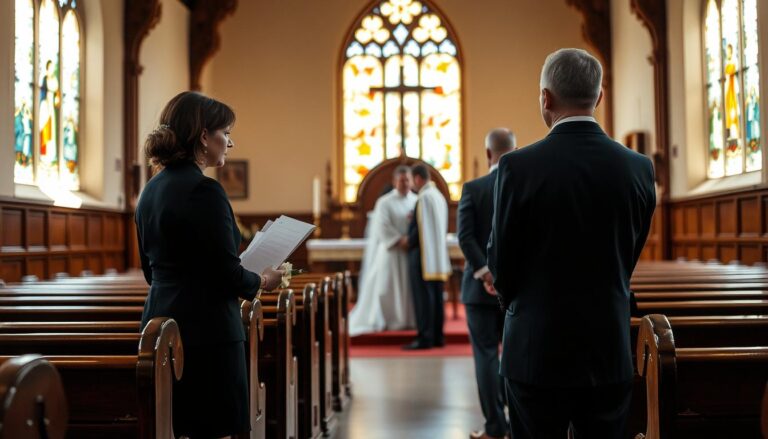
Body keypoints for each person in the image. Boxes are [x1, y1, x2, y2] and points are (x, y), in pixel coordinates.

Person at [488, 48, 656, 438]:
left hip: (534, 347)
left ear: (546, 98)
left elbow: (502, 261)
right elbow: (630, 252)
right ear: (599, 97)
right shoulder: (638, 167)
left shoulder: (516, 167)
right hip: (606, 344)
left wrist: (516, 303)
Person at [136, 91, 285, 438]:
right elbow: (228, 275)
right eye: (226, 133)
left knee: (172, 427)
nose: (230, 143)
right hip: (208, 334)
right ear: (204, 136)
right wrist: (264, 280)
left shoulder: (150, 190)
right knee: (212, 429)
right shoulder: (206, 191)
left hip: (159, 327)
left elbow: (150, 271)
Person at [458, 128, 516, 439]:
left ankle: (495, 425)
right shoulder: (524, 186)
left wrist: (485, 272)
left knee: (485, 355)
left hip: (478, 290)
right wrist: (503, 275)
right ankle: (517, 423)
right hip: (516, 288)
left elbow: (465, 236)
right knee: (514, 355)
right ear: (515, 151)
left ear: (488, 154)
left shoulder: (474, 188)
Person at [349, 165, 418, 335]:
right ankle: (390, 320)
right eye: (401, 180)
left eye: (407, 180)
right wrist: (400, 240)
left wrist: (411, 239)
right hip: (391, 252)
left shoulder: (416, 200)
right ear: (395, 182)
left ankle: (409, 319)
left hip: (409, 251)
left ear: (412, 181)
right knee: (387, 288)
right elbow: (382, 226)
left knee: (408, 288)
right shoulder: (384, 202)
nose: (405, 183)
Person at [401, 164, 451, 350]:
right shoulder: (438, 196)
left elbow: (419, 230)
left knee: (423, 299)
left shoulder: (423, 197)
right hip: (436, 255)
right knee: (436, 297)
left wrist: (408, 240)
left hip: (423, 257)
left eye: (412, 180)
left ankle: (425, 338)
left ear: (417, 178)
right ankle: (437, 336)